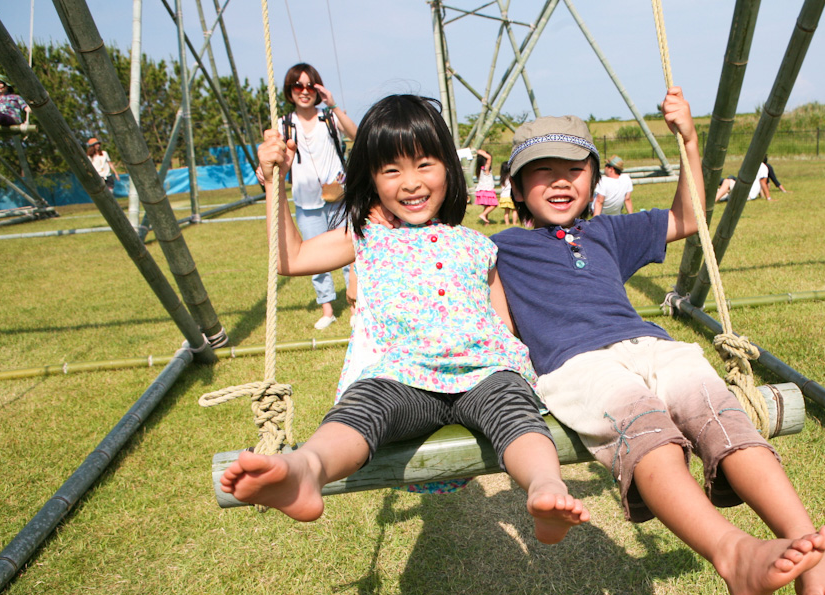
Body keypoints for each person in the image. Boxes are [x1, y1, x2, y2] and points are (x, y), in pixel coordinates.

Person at [494, 88, 825, 595]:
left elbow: (688, 218)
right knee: (648, 430)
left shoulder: (606, 232)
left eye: (574, 170)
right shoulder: (498, 250)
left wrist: (689, 140)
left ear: (594, 180)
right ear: (515, 186)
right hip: (577, 364)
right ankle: (732, 553)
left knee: (719, 412)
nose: (559, 181)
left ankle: (811, 553)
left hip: (650, 345)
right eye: (541, 171)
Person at [221, 94, 588, 544]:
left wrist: (519, 368)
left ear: (448, 168)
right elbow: (291, 258)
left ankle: (545, 488)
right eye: (392, 170)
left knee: (514, 409)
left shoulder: (477, 245)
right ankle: (304, 470)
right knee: (364, 407)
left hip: (483, 373)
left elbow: (503, 326)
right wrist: (274, 184)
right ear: (372, 180)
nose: (411, 183)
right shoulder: (366, 237)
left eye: (424, 165)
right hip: (403, 376)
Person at [274, 63, 358, 330]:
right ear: (289, 91)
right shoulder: (284, 124)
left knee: (349, 253)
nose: (304, 91)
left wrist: (333, 105)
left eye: (310, 86)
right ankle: (327, 309)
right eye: (298, 86)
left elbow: (357, 135)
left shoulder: (329, 118)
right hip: (306, 200)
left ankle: (355, 307)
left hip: (339, 197)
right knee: (314, 258)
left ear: (318, 89)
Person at [473, 148, 499, 225]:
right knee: (494, 204)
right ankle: (483, 214)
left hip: (482, 189)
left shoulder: (480, 169)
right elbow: (489, 158)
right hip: (487, 189)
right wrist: (480, 152)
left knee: (487, 206)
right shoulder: (485, 168)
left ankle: (486, 222)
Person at [497, 160, 519, 226]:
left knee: (506, 211)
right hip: (511, 196)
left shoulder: (502, 178)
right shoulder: (511, 177)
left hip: (504, 196)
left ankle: (507, 223)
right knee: (514, 210)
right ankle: (514, 222)